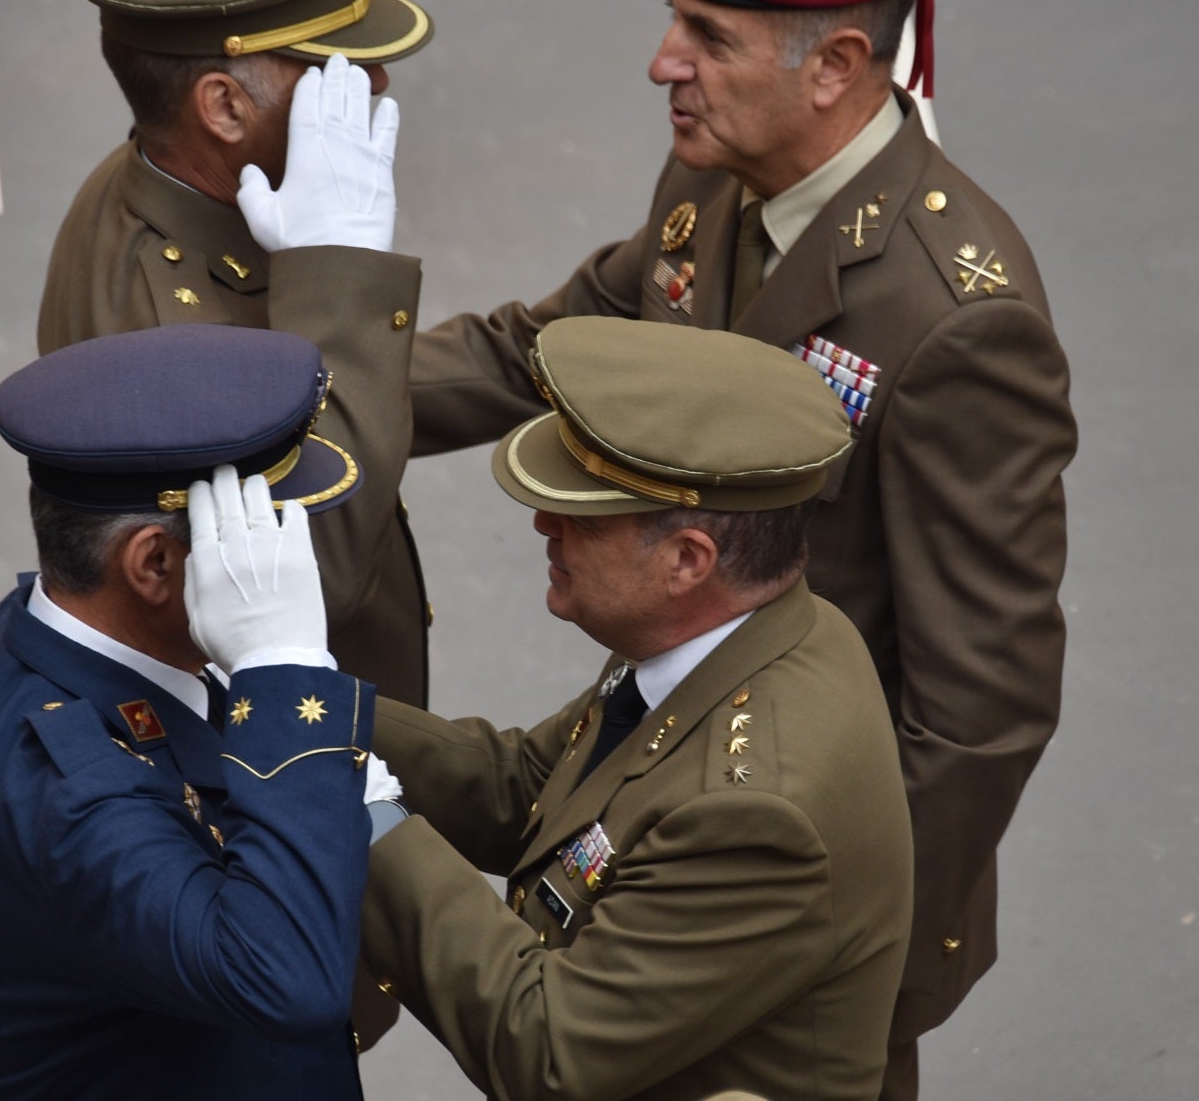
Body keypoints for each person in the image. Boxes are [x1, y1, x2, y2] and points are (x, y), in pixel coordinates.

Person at [408, 0, 1078, 1097]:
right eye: (674, 20)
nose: (665, 61)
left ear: (830, 67)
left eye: (707, 35)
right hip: (672, 788)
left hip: (794, 890)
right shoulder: (717, 174)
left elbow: (977, 711)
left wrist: (852, 968)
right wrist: (300, 394)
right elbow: (554, 347)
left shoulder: (953, 317)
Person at [361, 317, 914, 1100]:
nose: (543, 524)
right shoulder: (738, 634)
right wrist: (310, 703)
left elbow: (549, 1049)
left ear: (690, 560)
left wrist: (367, 819)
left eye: (582, 516)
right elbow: (530, 785)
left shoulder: (755, 814)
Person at [0, 323, 407, 1099]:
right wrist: (279, 668)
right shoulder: (78, 799)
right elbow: (286, 977)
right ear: (154, 562)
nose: (288, 557)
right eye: (255, 532)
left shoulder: (24, 630)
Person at [36, 0, 434, 711]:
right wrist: (343, 265)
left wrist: (539, 351)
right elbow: (315, 572)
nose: (379, 83)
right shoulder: (168, 346)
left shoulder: (168, 182)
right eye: (338, 68)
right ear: (222, 106)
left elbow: (318, 379)